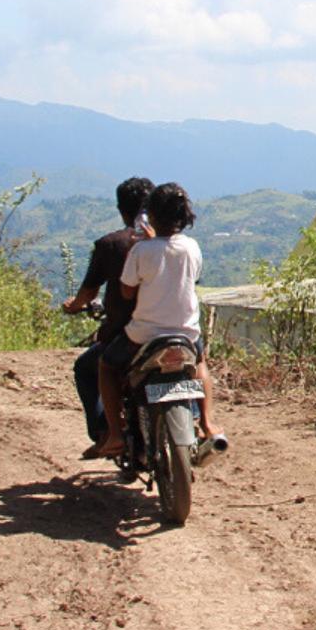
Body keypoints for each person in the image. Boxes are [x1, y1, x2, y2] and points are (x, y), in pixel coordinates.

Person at [86, 181, 219, 458]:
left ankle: (114, 434)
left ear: (151, 215)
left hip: (143, 335)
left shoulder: (141, 251)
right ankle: (207, 423)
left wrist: (146, 248)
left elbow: (126, 291)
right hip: (186, 334)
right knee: (201, 362)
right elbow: (192, 278)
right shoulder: (192, 247)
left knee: (106, 367)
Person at [62, 176, 153, 458]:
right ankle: (200, 422)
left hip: (127, 332)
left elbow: (89, 293)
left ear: (121, 209)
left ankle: (107, 434)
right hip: (176, 331)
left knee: (89, 367)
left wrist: (73, 306)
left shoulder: (111, 245)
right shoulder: (175, 245)